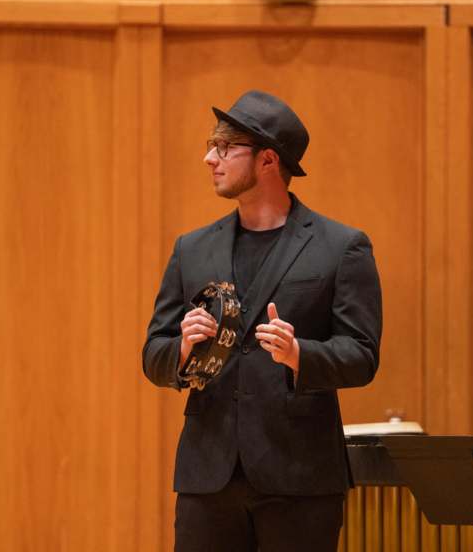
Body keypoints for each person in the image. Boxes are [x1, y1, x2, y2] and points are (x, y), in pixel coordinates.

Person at [142, 90, 382, 552]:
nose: (209, 157)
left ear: (269, 159)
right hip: (208, 476)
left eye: (226, 147)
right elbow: (154, 352)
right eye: (212, 145)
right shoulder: (191, 248)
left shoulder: (341, 246)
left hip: (300, 478)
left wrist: (299, 355)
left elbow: (362, 355)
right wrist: (183, 350)